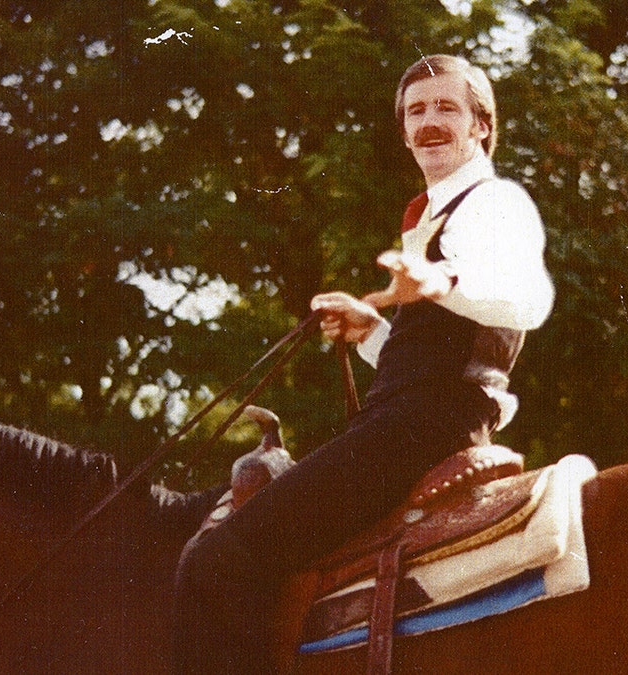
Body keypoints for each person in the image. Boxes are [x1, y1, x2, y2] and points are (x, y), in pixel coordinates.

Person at [171, 54, 554, 673]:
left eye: (446, 108)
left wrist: (437, 281)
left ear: (482, 125)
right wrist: (374, 331)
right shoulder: (432, 214)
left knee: (218, 560)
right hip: (418, 417)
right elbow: (440, 355)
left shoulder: (494, 202)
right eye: (415, 110)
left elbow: (527, 300)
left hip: (420, 430)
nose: (429, 122)